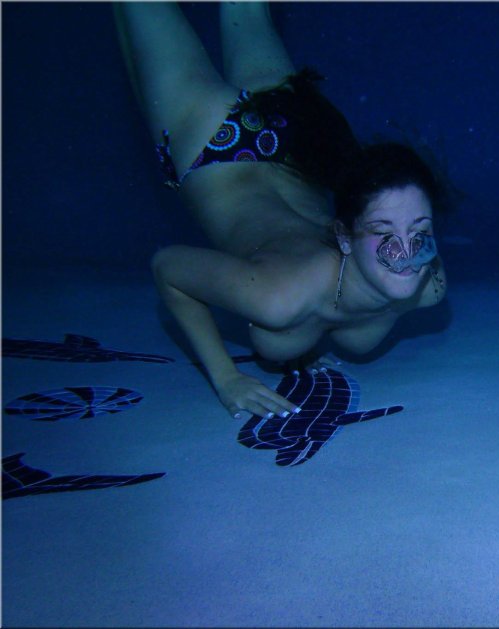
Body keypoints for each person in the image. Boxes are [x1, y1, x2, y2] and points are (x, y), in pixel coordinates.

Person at [114, 2, 448, 422]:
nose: (407, 251)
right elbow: (167, 267)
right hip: (212, 146)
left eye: (419, 232)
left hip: (292, 137)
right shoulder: (277, 297)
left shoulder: (430, 283)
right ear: (343, 237)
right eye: (384, 232)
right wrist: (226, 378)